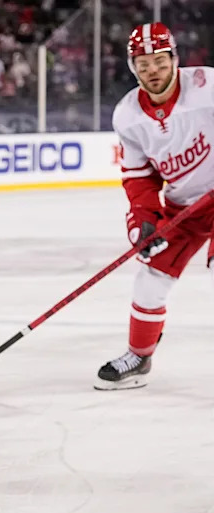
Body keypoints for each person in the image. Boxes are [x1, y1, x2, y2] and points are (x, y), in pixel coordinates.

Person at [97, 23, 214, 389]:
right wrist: (144, 222)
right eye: (143, 64)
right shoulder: (127, 115)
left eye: (160, 61)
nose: (153, 71)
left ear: (174, 60)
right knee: (150, 280)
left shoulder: (207, 87)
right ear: (133, 67)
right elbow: (139, 178)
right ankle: (139, 356)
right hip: (183, 207)